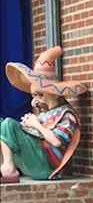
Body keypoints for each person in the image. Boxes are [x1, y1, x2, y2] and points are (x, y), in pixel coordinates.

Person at [1, 46, 87, 183]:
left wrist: (35, 124)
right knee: (2, 123)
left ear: (53, 93)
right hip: (35, 160)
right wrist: (28, 124)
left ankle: (9, 169)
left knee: (8, 124)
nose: (36, 99)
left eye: (40, 94)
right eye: (34, 95)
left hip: (46, 166)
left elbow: (56, 141)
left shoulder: (67, 114)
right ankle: (5, 165)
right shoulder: (45, 114)